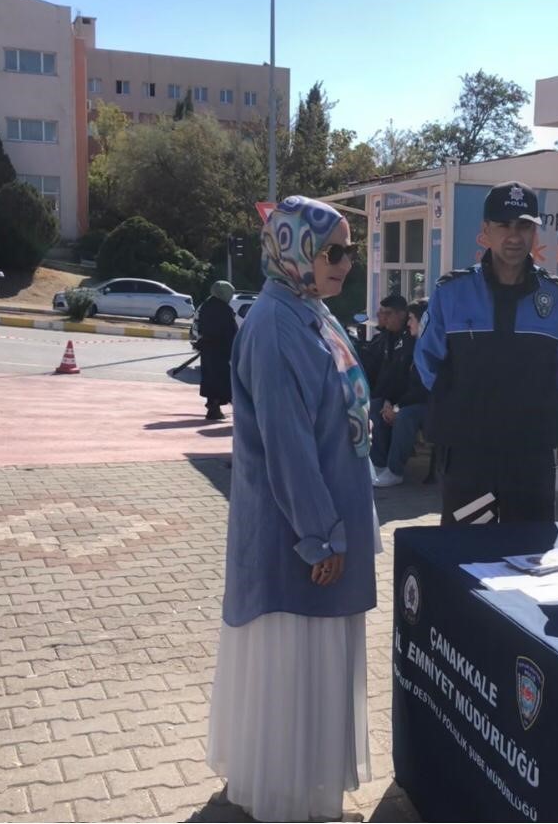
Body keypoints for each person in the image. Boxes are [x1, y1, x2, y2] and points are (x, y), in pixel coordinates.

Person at [206, 196, 377, 822]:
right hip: (298, 537)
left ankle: (301, 791)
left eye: (350, 251)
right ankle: (285, 798)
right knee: (294, 666)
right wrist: (321, 537)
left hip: (322, 523)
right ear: (296, 247)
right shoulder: (277, 326)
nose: (345, 263)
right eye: (334, 251)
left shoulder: (312, 311)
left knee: (313, 667)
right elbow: (287, 444)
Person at [415, 181, 558, 524]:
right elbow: (428, 362)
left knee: (529, 559)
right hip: (469, 455)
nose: (514, 236)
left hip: (529, 456)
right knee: (465, 555)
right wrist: (467, 407)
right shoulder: (452, 292)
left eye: (523, 226)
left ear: (536, 231)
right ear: (486, 230)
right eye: (503, 225)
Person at [372, 298, 429, 487]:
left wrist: (397, 407)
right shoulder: (405, 342)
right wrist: (389, 401)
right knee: (376, 406)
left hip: (432, 405)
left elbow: (422, 390)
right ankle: (379, 464)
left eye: (412, 319)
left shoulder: (430, 348)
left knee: (405, 416)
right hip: (409, 400)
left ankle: (395, 471)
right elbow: (396, 378)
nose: (409, 323)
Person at [193, 281, 238, 420]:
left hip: (208, 349)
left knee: (210, 378)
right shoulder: (223, 309)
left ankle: (213, 408)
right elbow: (230, 331)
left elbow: (200, 326)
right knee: (223, 380)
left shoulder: (206, 306)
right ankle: (225, 409)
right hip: (220, 351)